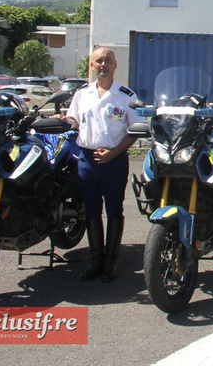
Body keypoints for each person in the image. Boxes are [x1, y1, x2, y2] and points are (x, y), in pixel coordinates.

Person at [64, 47, 144, 283]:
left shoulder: (126, 95)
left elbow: (135, 130)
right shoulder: (82, 94)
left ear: (115, 65)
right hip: (87, 161)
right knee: (91, 211)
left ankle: (111, 261)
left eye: (107, 61)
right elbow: (73, 120)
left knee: (114, 211)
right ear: (91, 65)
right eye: (98, 61)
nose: (103, 65)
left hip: (114, 160)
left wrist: (114, 153)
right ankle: (96, 258)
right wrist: (65, 121)